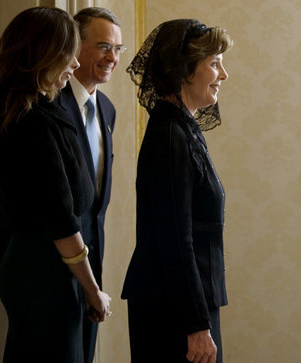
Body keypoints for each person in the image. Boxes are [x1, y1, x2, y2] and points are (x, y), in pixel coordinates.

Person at [0, 7, 111, 362]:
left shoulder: (20, 112)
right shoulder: (36, 123)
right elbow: (60, 219)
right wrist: (92, 290)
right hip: (47, 277)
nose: (73, 64)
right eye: (69, 53)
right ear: (46, 54)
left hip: (33, 271)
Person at [121, 19, 233, 363]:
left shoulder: (182, 128)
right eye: (214, 63)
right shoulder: (171, 135)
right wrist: (196, 325)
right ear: (184, 69)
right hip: (173, 312)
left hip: (183, 303)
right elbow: (174, 238)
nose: (223, 74)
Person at [54, 7, 123, 362]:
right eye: (102, 46)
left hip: (92, 261)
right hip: (51, 266)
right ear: (75, 46)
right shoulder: (51, 104)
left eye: (117, 49)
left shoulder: (108, 109)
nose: (112, 57)